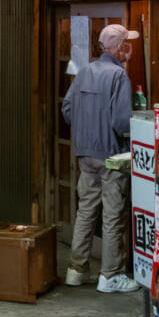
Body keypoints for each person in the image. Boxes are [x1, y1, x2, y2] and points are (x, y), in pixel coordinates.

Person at [62, 23, 142, 293]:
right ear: (120, 48)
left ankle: (76, 269)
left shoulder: (84, 71)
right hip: (111, 155)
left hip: (85, 154)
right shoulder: (119, 76)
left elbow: (68, 108)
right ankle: (110, 275)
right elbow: (122, 123)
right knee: (112, 216)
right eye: (127, 44)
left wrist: (86, 131)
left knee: (85, 211)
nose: (130, 48)